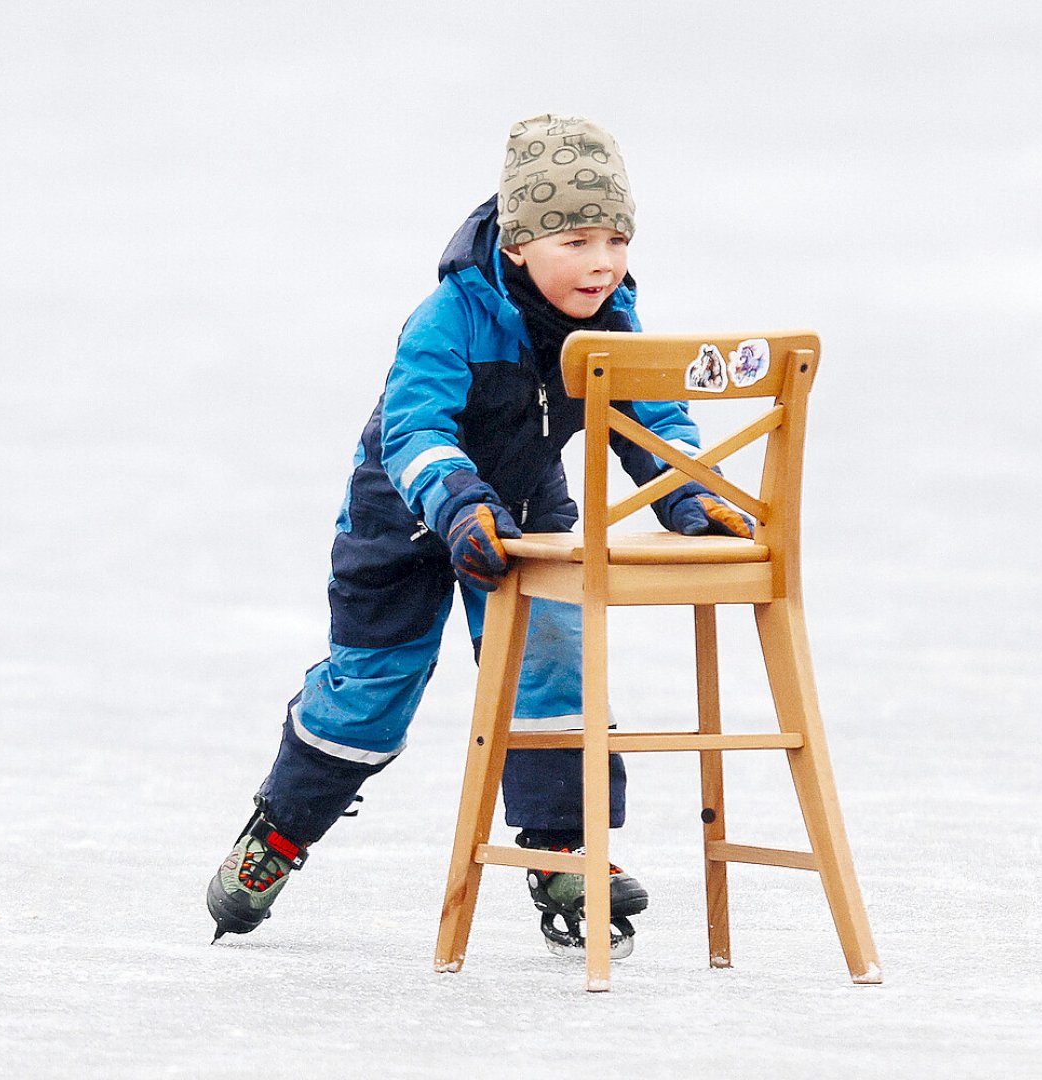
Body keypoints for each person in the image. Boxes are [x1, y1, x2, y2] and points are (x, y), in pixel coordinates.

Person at [206, 114, 752, 955]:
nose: (602, 261)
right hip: (402, 513)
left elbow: (651, 420)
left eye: (617, 238)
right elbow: (416, 429)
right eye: (575, 239)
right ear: (523, 241)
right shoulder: (451, 315)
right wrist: (459, 504)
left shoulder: (611, 323)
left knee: (553, 672)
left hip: (526, 511)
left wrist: (692, 496)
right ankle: (279, 834)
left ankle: (566, 850)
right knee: (371, 696)